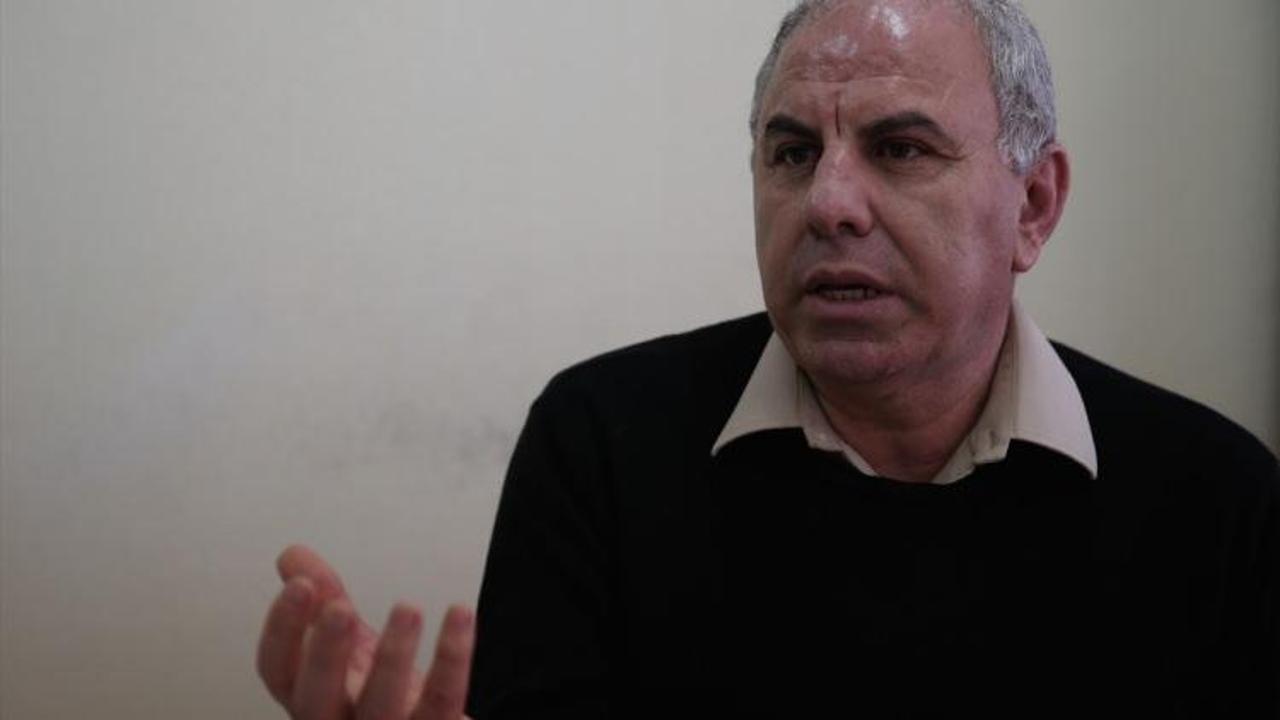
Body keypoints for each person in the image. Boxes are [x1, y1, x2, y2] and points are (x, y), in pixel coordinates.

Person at [256, 0, 1280, 717]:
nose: (828, 203)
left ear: (1034, 205)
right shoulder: (600, 442)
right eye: (791, 153)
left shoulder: (1219, 500)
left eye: (900, 148)